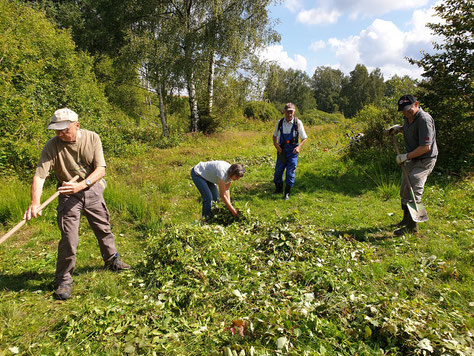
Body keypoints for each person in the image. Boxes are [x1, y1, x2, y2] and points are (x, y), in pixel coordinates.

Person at [24, 108, 130, 300]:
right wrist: (35, 203)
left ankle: (112, 260)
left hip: (91, 188)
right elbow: (40, 177)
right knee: (69, 238)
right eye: (56, 130)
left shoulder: (92, 138)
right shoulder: (51, 146)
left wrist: (82, 185)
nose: (60, 133)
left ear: (77, 125)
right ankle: (64, 280)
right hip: (67, 193)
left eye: (64, 129)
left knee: (103, 227)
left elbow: (100, 169)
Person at [386, 95, 437, 236]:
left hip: (425, 159)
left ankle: (412, 228)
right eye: (402, 111)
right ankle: (405, 221)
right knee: (404, 188)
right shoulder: (408, 117)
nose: (405, 113)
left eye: (408, 110)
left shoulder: (424, 120)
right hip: (413, 158)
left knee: (413, 186)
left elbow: (425, 147)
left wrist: (405, 156)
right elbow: (411, 129)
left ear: (416, 104)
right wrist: (399, 129)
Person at [273, 103, 308, 200]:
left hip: (293, 151)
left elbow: (304, 138)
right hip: (282, 151)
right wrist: (277, 146)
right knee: (278, 172)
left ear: (294, 112)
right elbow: (274, 136)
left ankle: (287, 193)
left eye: (291, 112)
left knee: (290, 172)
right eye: (287, 112)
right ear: (284, 112)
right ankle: (278, 189)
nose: (289, 114)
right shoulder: (280, 123)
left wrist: (299, 147)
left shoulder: (298, 123)